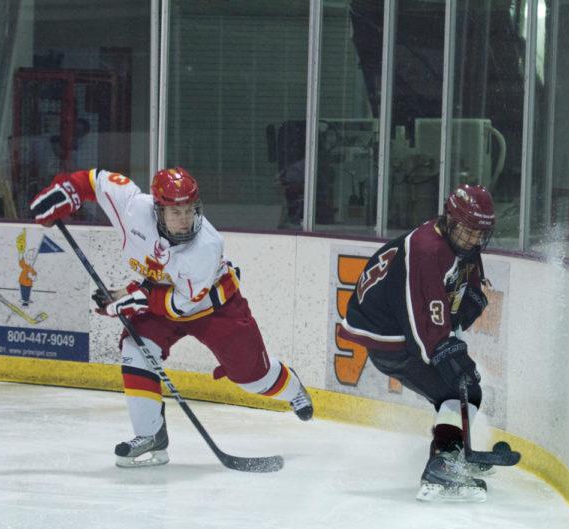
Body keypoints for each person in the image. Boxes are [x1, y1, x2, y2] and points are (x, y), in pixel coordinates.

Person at [29, 167, 314, 467]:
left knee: (252, 378)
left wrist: (132, 300)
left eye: (190, 210)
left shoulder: (206, 245)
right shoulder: (132, 208)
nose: (185, 219)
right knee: (136, 350)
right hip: (162, 297)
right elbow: (94, 179)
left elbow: (180, 306)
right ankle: (150, 436)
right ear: (157, 210)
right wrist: (66, 192)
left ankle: (293, 389)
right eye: (175, 212)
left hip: (216, 308)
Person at [340, 183, 497, 502]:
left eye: (480, 232)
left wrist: (470, 301)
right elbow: (421, 323)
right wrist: (445, 351)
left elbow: (460, 293)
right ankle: (442, 464)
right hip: (389, 339)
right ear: (450, 220)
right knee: (460, 389)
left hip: (404, 330)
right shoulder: (427, 249)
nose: (474, 239)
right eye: (468, 230)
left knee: (461, 389)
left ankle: (450, 453)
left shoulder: (462, 244)